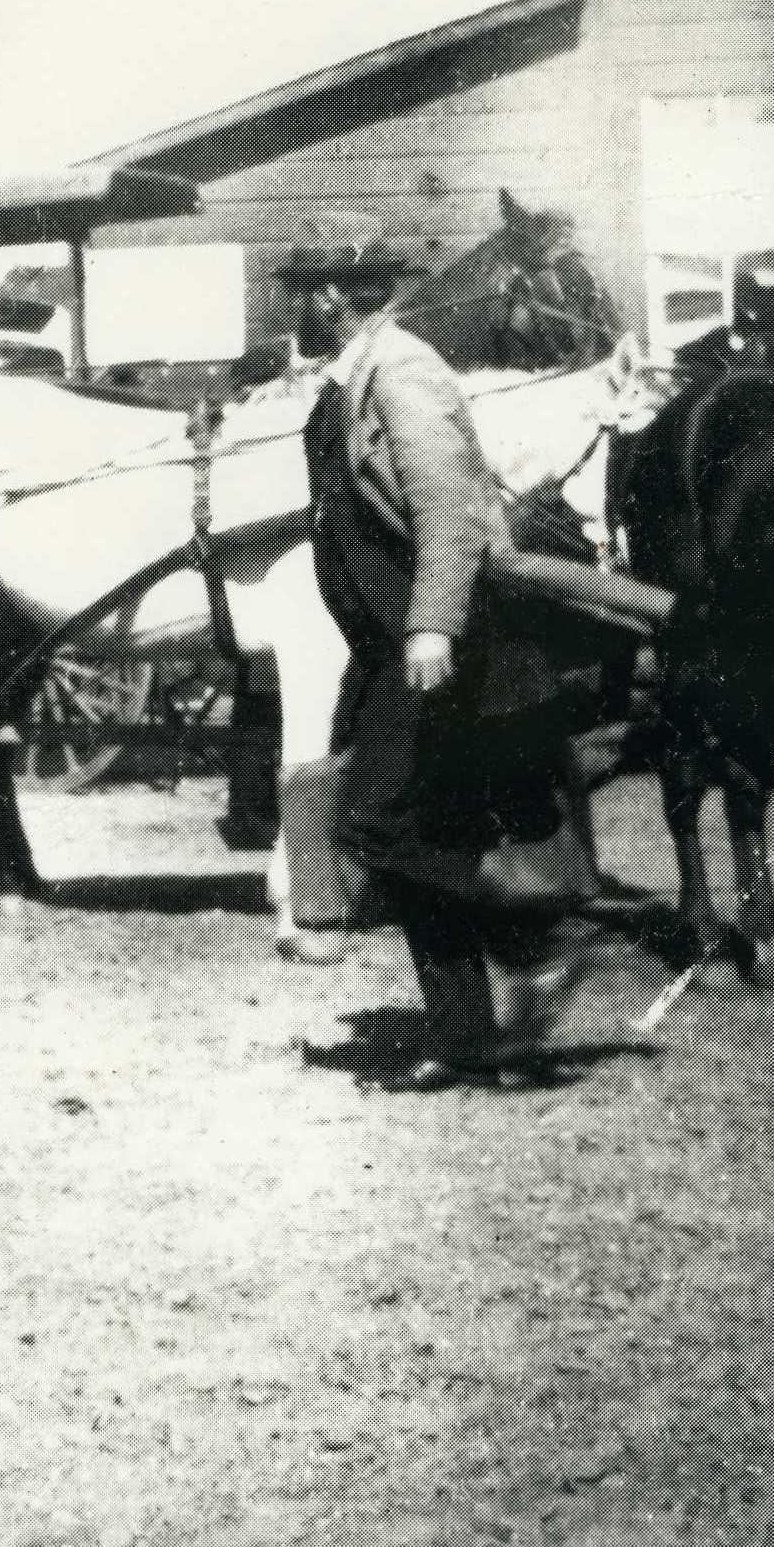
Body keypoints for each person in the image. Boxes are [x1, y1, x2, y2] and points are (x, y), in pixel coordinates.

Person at [289, 240, 598, 1089]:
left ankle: (532, 942)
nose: (291, 311)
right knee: (426, 830)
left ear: (326, 297)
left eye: (296, 294)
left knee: (371, 823)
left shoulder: (401, 375)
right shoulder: (354, 377)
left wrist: (428, 630)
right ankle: (464, 1039)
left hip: (434, 646)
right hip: (388, 644)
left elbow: (451, 516)